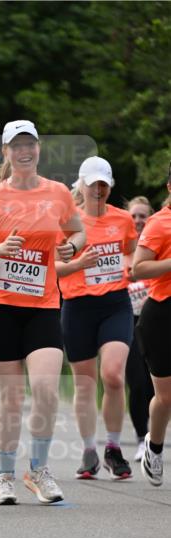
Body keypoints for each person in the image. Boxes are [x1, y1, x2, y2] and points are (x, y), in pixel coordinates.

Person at [0, 119, 85, 505]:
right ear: (5, 152)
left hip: (43, 306)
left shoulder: (58, 193)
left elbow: (77, 232)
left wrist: (71, 247)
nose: (24, 150)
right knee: (12, 398)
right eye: (16, 145)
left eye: (30, 143)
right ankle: (4, 476)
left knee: (47, 390)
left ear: (38, 148)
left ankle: (38, 470)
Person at [57, 157, 138, 479]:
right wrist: (80, 264)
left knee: (115, 375)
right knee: (85, 383)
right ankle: (89, 450)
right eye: (93, 184)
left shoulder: (123, 219)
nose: (99, 190)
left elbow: (131, 250)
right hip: (77, 306)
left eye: (104, 184)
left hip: (115, 303)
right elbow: (54, 268)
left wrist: (130, 264)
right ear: (82, 185)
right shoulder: (67, 221)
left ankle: (114, 448)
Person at [132, 164, 171, 486]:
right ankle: (154, 446)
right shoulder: (159, 224)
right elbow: (138, 268)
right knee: (166, 397)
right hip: (162, 315)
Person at [125, 195, 155, 461]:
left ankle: (155, 435)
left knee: (154, 382)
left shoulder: (157, 247)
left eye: (142, 216)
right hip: (127, 321)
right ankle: (140, 438)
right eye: (133, 215)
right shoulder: (121, 249)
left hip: (154, 319)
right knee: (136, 381)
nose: (137, 220)